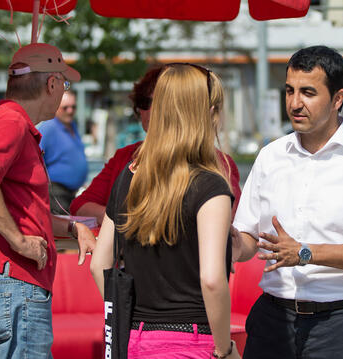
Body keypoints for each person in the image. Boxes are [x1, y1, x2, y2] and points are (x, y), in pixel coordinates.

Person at [231, 46, 343, 359]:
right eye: (289, 91)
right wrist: (221, 241)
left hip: (342, 325)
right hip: (271, 319)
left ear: (338, 98)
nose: (295, 103)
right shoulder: (270, 157)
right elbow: (248, 238)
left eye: (308, 92)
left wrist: (305, 253)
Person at [90, 64, 240, 359]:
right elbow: (212, 279)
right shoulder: (210, 185)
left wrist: (124, 319)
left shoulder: (129, 176)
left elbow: (100, 264)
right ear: (207, 113)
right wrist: (225, 349)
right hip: (192, 340)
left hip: (134, 339)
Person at [0, 43, 96, 359]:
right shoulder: (11, 121)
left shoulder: (13, 122)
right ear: (51, 84)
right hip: (13, 282)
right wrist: (19, 241)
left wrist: (73, 229)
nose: (64, 92)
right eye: (64, 84)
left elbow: (24, 210)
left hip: (9, 284)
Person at [70, 65, 241, 224]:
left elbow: (233, 223)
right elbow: (80, 206)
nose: (153, 110)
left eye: (161, 102)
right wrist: (131, 223)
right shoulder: (127, 159)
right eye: (145, 102)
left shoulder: (216, 163)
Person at [38, 91, 88, 214]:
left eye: (73, 107)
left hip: (72, 193)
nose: (70, 111)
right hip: (55, 192)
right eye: (65, 108)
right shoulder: (48, 127)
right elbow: (35, 159)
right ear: (56, 107)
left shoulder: (72, 125)